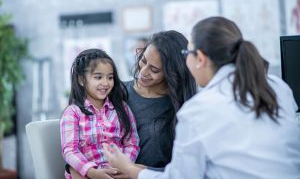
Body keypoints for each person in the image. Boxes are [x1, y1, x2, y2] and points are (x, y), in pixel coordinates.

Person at [103, 16, 300, 179]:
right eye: (143, 61)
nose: (144, 71)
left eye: (187, 53)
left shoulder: (197, 108)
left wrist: (132, 170)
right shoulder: (278, 87)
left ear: (201, 59)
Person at [60, 48, 140, 179]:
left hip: (118, 174)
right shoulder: (72, 113)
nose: (105, 83)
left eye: (110, 77)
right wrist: (92, 172)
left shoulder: (122, 108)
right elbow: (70, 151)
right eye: (98, 77)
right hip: (87, 174)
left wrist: (124, 166)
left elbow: (132, 143)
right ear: (81, 80)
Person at [124, 30, 197, 168]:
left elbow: (187, 170)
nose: (143, 72)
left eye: (154, 70)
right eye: (143, 60)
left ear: (172, 73)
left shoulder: (183, 107)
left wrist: (145, 172)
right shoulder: (117, 91)